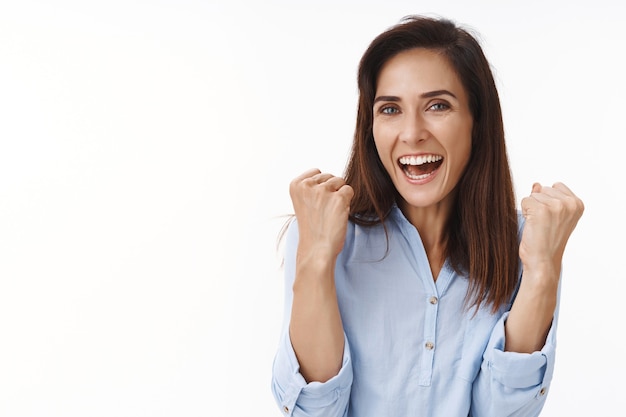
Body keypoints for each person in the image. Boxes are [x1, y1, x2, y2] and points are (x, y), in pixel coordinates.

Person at [270, 15, 584, 417]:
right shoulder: (323, 232)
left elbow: (504, 413)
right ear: (371, 127)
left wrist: (542, 271)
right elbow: (314, 411)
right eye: (390, 109)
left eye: (438, 105)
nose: (412, 132)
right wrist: (315, 261)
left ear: (478, 122)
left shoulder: (529, 242)